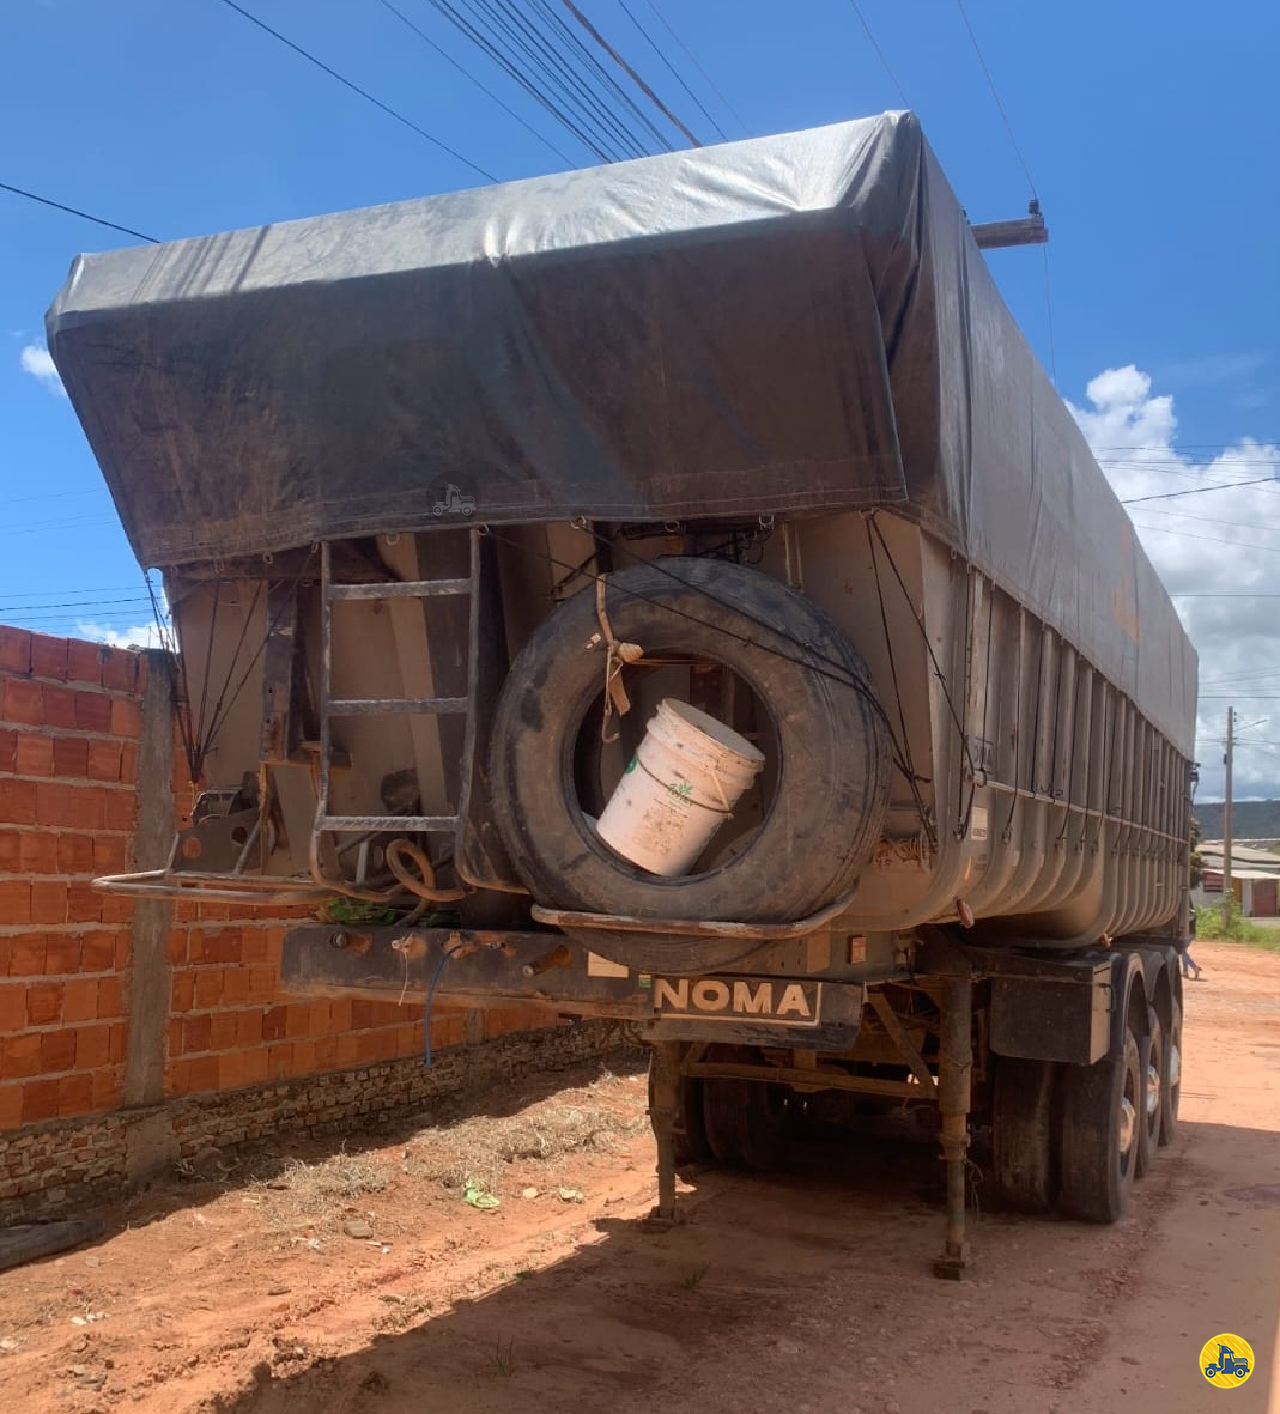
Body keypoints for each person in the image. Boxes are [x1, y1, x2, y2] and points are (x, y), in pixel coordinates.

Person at [1181, 902, 1202, 980]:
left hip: (1187, 934)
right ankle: (1185, 971)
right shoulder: (1192, 912)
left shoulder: (1188, 913)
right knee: (1184, 952)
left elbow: (1184, 923)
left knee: (1182, 952)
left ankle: (1194, 967)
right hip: (1191, 934)